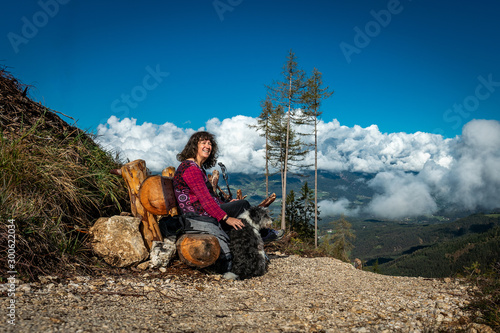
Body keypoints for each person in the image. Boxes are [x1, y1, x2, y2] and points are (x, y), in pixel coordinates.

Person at [172, 131, 251, 278]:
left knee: (240, 205)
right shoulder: (190, 168)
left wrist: (226, 203)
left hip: (203, 210)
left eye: (210, 144)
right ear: (194, 146)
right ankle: (260, 236)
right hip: (196, 214)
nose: (208, 146)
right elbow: (205, 201)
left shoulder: (198, 168)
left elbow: (210, 198)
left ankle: (251, 244)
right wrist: (227, 218)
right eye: (203, 143)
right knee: (243, 205)